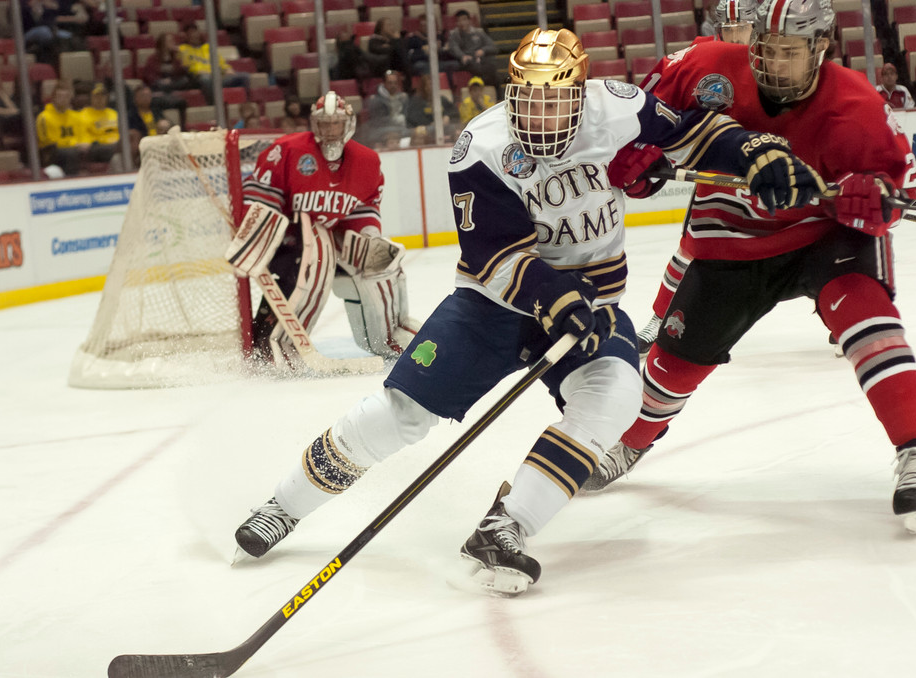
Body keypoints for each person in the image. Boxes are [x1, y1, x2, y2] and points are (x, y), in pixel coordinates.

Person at [230, 28, 825, 596]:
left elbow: (691, 132)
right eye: (527, 102)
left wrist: (754, 151)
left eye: (553, 103)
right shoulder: (482, 147)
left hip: (590, 306)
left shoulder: (616, 106)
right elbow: (493, 255)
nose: (537, 117)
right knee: (401, 413)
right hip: (493, 307)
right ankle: (284, 504)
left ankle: (505, 525)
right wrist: (555, 297)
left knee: (616, 395)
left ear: (580, 95)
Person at [587, 0, 916, 537]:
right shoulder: (702, 66)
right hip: (731, 239)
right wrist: (637, 162)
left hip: (822, 235)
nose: (773, 63)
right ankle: (631, 442)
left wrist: (874, 197)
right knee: (672, 363)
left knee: (867, 320)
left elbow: (901, 189)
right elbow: (640, 122)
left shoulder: (855, 103)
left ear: (820, 48)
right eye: (766, 49)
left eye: (788, 52)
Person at [224, 90, 420, 368]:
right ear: (314, 124)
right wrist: (258, 233)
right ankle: (270, 346)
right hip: (288, 242)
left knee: (382, 266)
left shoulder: (367, 161)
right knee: (308, 263)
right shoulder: (288, 149)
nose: (329, 131)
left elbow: (363, 209)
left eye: (335, 124)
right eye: (324, 124)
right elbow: (263, 195)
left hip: (330, 239)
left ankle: (389, 338)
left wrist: (366, 238)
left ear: (348, 124)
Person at [631, 0, 759, 355]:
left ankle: (836, 318)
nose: (735, 35)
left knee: (809, 241)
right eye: (728, 28)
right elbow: (656, 103)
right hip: (720, 174)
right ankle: (659, 319)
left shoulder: (777, 58)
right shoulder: (698, 58)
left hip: (772, 168)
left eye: (742, 27)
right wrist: (645, 151)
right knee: (691, 248)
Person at [178, 23, 250, 103]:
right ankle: (215, 104)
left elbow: (220, 62)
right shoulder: (182, 49)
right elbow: (187, 66)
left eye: (194, 32)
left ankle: (244, 103)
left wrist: (227, 69)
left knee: (244, 76)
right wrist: (199, 71)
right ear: (186, 36)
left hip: (217, 76)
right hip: (199, 77)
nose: (193, 35)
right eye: (190, 33)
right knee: (205, 79)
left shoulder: (208, 47)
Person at [36, 80, 88, 176]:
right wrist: (74, 144)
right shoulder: (44, 117)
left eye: (66, 97)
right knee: (70, 152)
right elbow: (50, 142)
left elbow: (83, 137)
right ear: (53, 98)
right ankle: (71, 179)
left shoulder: (76, 116)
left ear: (70, 98)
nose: (63, 100)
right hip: (51, 153)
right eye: (60, 96)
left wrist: (84, 144)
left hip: (74, 150)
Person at [447, 9, 498, 86]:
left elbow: (493, 47)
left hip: (480, 58)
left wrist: (483, 50)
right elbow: (454, 48)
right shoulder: (454, 35)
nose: (462, 23)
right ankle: (483, 85)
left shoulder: (479, 32)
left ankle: (493, 89)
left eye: (464, 20)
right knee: (474, 65)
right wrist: (462, 56)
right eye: (459, 21)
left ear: (469, 21)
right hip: (466, 60)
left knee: (491, 63)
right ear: (456, 23)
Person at [405, 73, 460, 141]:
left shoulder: (442, 99)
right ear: (423, 87)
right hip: (425, 132)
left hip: (442, 130)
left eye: (434, 85)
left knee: (453, 129)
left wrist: (447, 116)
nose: (432, 87)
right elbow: (414, 120)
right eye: (429, 85)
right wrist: (434, 124)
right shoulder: (416, 101)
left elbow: (454, 113)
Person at [78, 83, 121, 167]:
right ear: (91, 97)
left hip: (116, 145)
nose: (100, 99)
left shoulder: (114, 114)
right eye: (96, 96)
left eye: (102, 96)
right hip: (97, 147)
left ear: (107, 97)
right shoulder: (83, 115)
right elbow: (84, 140)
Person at [126, 84, 170, 165]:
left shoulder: (156, 111)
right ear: (135, 98)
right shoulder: (131, 115)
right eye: (143, 96)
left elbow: (167, 123)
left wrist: (165, 124)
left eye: (148, 95)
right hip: (143, 146)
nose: (146, 98)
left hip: (160, 143)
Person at [363, 69, 408, 146]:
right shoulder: (375, 100)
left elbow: (407, 117)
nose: (393, 85)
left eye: (395, 83)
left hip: (400, 130)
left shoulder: (403, 97)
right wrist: (396, 121)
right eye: (390, 83)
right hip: (381, 131)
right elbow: (376, 122)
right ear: (384, 83)